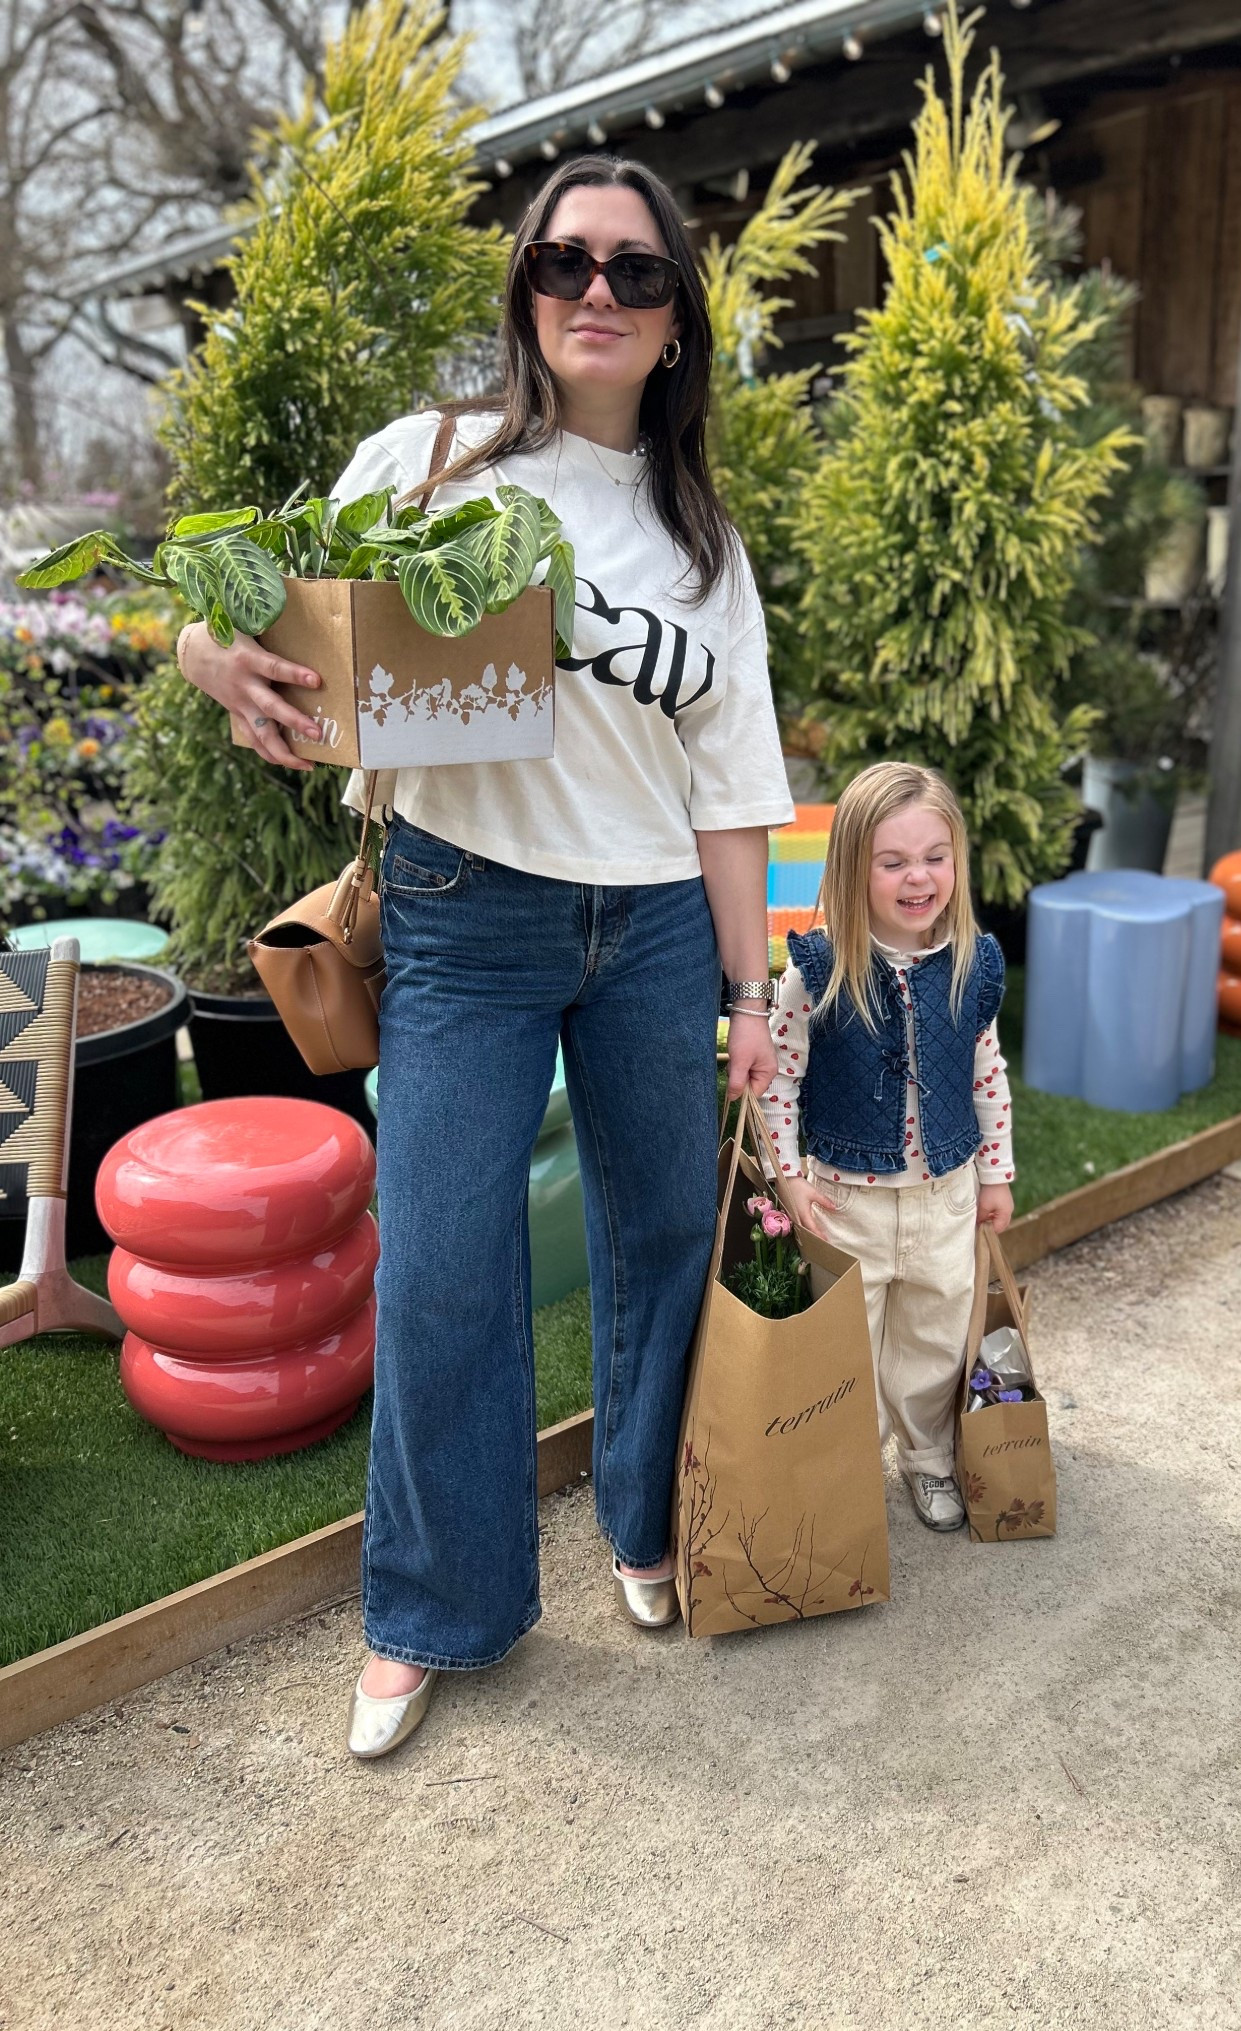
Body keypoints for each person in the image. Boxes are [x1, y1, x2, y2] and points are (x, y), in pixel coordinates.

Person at [176, 156, 793, 1757]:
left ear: (675, 326)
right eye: (566, 262)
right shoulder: (429, 461)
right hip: (464, 910)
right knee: (448, 1264)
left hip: (659, 924)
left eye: (637, 274)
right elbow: (243, 603)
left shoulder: (704, 545)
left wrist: (748, 996)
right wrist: (215, 660)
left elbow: (733, 800)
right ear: (525, 290)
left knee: (664, 1241)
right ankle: (437, 1607)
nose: (599, 292)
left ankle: (647, 1526)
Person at [762, 763, 1015, 1532]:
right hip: (848, 1200)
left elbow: (986, 1072)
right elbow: (777, 1078)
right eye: (894, 861)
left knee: (935, 1337)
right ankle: (844, 1469)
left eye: (935, 857)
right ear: (853, 868)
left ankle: (930, 1460)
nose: (918, 877)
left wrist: (996, 1175)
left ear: (956, 864)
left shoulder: (971, 967)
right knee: (847, 1350)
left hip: (946, 1195)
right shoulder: (818, 972)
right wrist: (790, 1177)